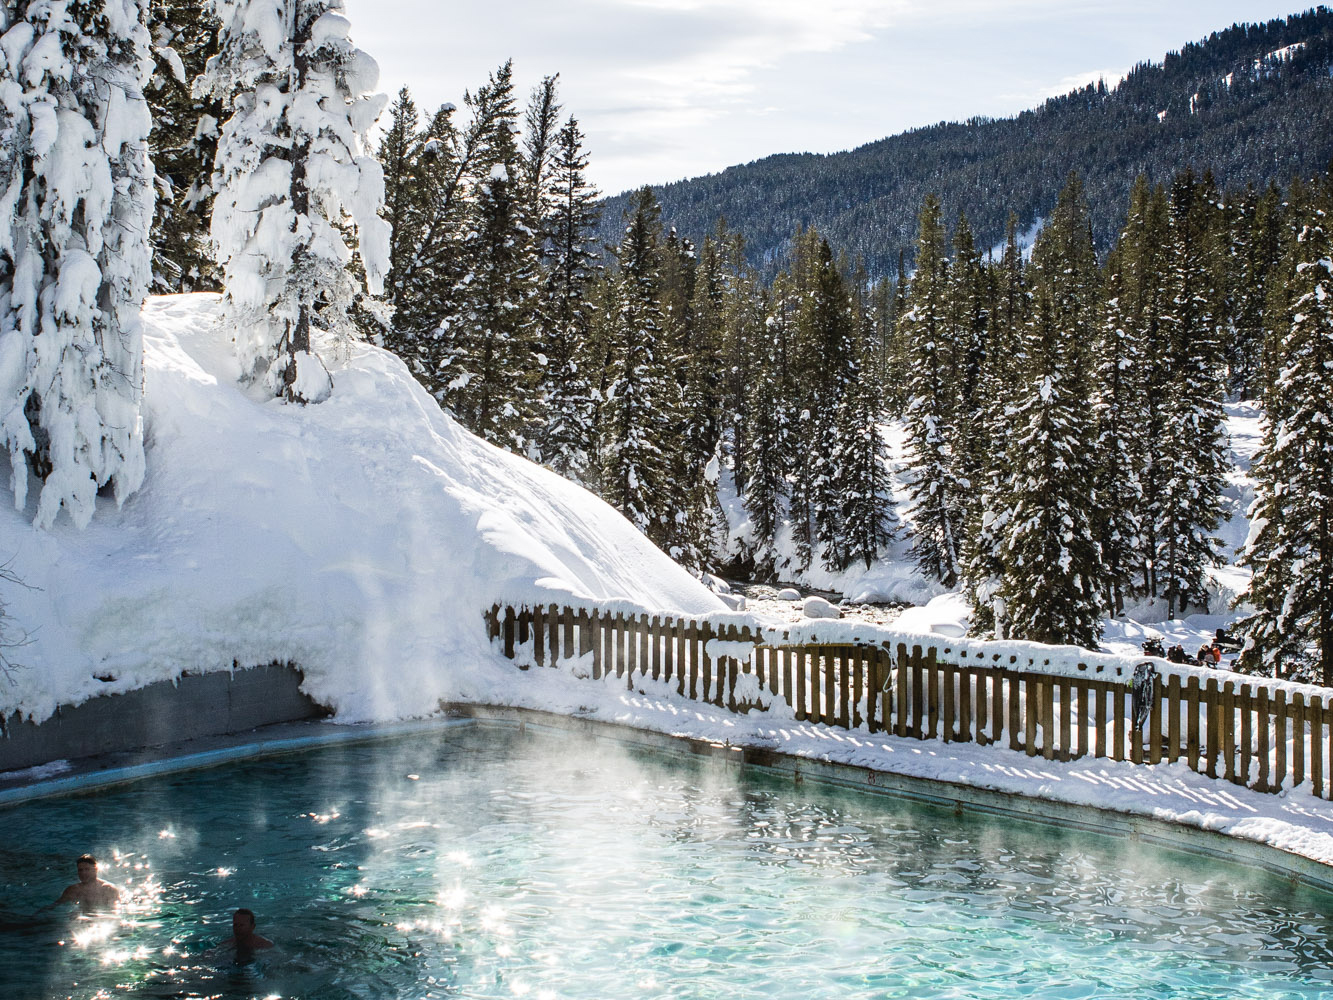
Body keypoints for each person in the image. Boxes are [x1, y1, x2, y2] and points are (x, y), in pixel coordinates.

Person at [52, 854, 120, 912]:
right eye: (80, 870)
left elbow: (116, 911)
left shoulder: (108, 889)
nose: (83, 873)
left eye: (87, 869)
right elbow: (54, 907)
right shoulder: (72, 890)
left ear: (95, 870)